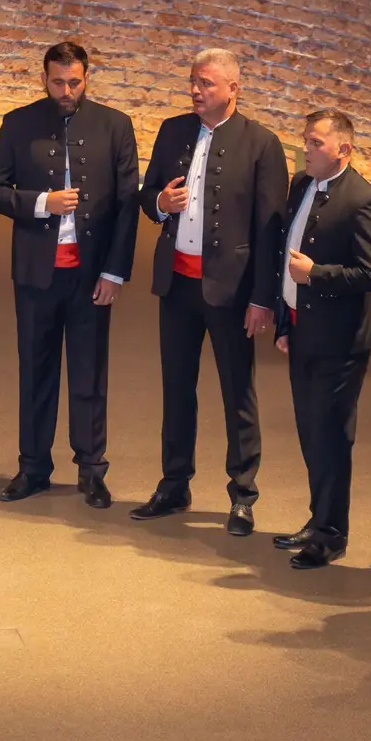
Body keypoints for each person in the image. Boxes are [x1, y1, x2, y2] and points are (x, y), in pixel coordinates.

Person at [131, 48, 288, 534]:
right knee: (177, 387)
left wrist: (262, 298)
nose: (196, 91)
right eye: (194, 82)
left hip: (232, 290)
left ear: (232, 89)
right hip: (177, 283)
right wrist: (161, 202)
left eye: (206, 84)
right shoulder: (172, 130)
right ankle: (174, 484)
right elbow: (147, 195)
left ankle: (243, 494)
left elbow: (270, 231)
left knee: (237, 391)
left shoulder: (262, 144)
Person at [0, 41, 139, 509]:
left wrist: (114, 272)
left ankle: (92, 470)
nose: (66, 91)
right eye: (57, 82)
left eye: (74, 82)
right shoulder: (18, 122)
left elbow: (127, 206)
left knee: (90, 373)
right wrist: (40, 203)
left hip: (91, 274)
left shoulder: (115, 125)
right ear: (44, 79)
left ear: (87, 77)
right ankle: (33, 468)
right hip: (36, 271)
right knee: (36, 370)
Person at [271, 110, 371, 570]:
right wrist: (285, 321)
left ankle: (331, 534)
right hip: (303, 330)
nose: (306, 149)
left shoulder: (363, 201)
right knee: (310, 432)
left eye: (316, 142)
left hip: (340, 343)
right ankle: (319, 518)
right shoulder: (302, 184)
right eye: (305, 140)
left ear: (344, 149)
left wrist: (315, 274)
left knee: (331, 438)